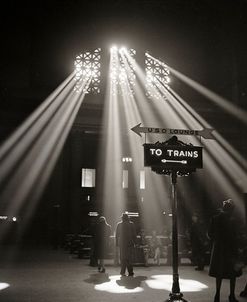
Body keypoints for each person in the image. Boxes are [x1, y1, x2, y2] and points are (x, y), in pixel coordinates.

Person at [208, 199, 242, 302]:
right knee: (232, 274)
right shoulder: (233, 221)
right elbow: (236, 236)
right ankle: (231, 296)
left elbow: (210, 234)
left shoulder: (215, 218)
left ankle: (217, 295)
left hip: (219, 249)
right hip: (231, 250)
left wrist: (216, 241)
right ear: (232, 210)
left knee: (219, 273)